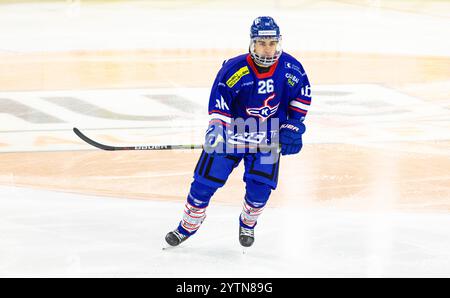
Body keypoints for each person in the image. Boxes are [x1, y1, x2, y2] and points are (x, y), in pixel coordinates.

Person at [165, 16, 312, 248]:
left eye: (272, 43)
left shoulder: (291, 69)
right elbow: (220, 101)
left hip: (268, 137)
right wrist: (217, 127)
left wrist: (293, 127)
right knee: (204, 183)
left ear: (278, 43)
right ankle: (189, 224)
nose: (267, 48)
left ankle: (248, 222)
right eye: (262, 43)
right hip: (232, 133)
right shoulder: (235, 69)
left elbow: (301, 98)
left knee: (260, 190)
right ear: (252, 43)